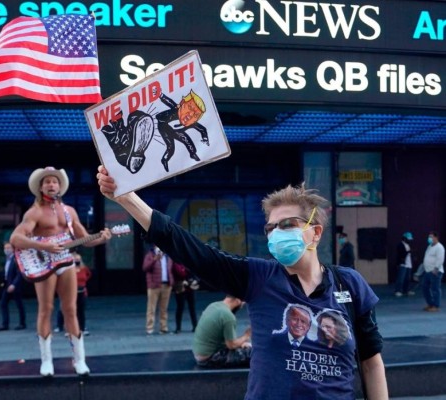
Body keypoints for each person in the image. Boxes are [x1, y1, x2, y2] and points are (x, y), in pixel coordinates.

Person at [97, 166, 388, 400]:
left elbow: (371, 362)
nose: (277, 234)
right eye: (271, 228)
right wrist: (127, 198)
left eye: (287, 225)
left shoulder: (349, 284)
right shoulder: (258, 278)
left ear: (315, 232)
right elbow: (192, 251)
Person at [10, 166, 112, 377]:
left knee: (71, 310)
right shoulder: (34, 212)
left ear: (60, 186)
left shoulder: (70, 212)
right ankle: (46, 361)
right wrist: (43, 247)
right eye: (47, 181)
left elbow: (85, 239)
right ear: (40, 187)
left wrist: (102, 238)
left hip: (66, 263)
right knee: (45, 309)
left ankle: (80, 360)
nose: (51, 184)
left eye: (55, 181)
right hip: (44, 264)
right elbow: (15, 239)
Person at [193, 295, 251, 368]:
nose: (242, 305)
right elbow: (231, 345)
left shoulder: (213, 305)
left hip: (200, 355)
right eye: (242, 302)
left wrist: (240, 344)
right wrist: (246, 335)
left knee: (246, 347)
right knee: (255, 354)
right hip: (208, 359)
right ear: (237, 300)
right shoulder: (228, 316)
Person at [55, 252, 92, 336]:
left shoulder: (84, 268)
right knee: (68, 309)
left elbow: (88, 275)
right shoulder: (68, 270)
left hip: (81, 291)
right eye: (75, 260)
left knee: (81, 310)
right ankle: (66, 328)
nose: (77, 261)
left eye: (78, 260)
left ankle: (82, 328)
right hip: (70, 292)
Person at [142, 245, 174, 335]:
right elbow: (145, 268)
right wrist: (155, 259)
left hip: (166, 285)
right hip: (154, 285)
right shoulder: (150, 255)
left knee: (164, 308)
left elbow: (171, 269)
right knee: (151, 308)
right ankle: (149, 328)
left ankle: (163, 328)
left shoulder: (168, 256)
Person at [0, 242, 26, 331]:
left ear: (13, 249)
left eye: (8, 248)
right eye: (5, 248)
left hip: (15, 286)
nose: (6, 250)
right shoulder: (6, 259)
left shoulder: (16, 259)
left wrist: (14, 284)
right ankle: (5, 324)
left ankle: (22, 323)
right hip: (7, 286)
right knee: (3, 303)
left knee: (19, 304)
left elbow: (19, 273)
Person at [171, 261, 198, 334]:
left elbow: (195, 272)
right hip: (180, 287)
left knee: (192, 308)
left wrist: (192, 280)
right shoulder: (176, 263)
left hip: (190, 288)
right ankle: (178, 328)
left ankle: (195, 326)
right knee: (180, 307)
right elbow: (179, 272)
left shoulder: (189, 261)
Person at [421, 231, 445, 312]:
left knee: (435, 289)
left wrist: (436, 269)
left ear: (436, 237)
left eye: (431, 237)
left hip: (435, 271)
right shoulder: (429, 246)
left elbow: (440, 259)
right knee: (425, 287)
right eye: (429, 237)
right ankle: (430, 304)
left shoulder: (439, 247)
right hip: (427, 271)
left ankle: (436, 305)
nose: (429, 238)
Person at [394, 232, 415, 297]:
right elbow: (401, 254)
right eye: (408, 239)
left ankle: (406, 290)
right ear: (404, 238)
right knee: (401, 278)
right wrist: (408, 252)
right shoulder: (400, 245)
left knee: (407, 278)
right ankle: (398, 290)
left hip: (408, 264)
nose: (409, 240)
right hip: (402, 264)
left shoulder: (408, 245)